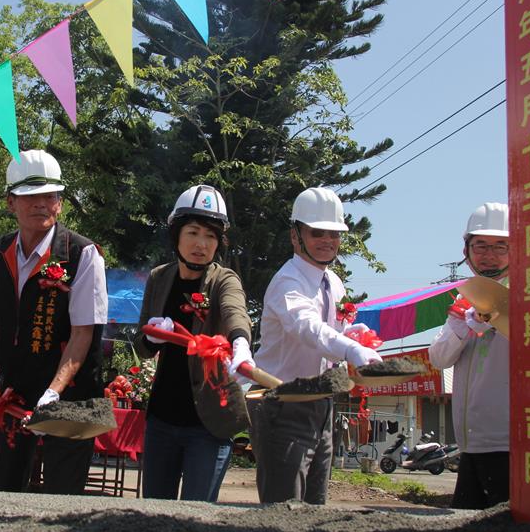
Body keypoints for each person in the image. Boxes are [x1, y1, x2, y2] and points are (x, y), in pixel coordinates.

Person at [0, 149, 108, 495]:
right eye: (29, 196)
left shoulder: (82, 254)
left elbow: (84, 333)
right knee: (3, 488)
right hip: (15, 390)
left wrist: (53, 392)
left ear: (60, 203)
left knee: (61, 497)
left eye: (49, 196)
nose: (41, 204)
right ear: (10, 203)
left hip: (71, 394)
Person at [247, 187, 382, 504]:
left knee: (314, 505)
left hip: (321, 404)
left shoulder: (333, 282)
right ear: (296, 236)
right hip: (282, 402)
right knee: (283, 507)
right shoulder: (288, 280)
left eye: (334, 233)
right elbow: (305, 326)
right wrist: (349, 349)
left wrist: (354, 336)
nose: (327, 240)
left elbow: (335, 329)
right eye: (317, 232)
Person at [134, 185, 251, 502]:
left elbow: (233, 311)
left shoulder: (223, 280)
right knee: (154, 512)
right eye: (193, 232)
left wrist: (241, 344)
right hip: (161, 417)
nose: (201, 243)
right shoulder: (160, 278)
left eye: (211, 236)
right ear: (176, 234)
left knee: (196, 514)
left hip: (209, 422)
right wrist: (150, 335)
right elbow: (142, 347)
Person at [428, 202, 510, 509]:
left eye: (499, 246)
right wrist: (463, 325)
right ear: (466, 250)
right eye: (480, 246)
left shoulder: (529, 292)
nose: (488, 255)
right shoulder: (465, 297)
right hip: (471, 443)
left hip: (506, 442)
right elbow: (438, 358)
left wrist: (496, 316)